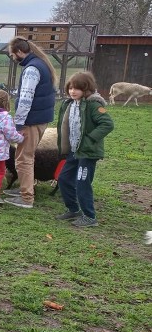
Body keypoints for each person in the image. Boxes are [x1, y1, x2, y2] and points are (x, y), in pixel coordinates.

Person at [3, 37, 57, 209]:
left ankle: (26, 197)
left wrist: (18, 125)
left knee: (24, 158)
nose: (12, 58)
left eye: (12, 55)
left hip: (31, 121)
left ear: (19, 52)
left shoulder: (32, 69)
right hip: (39, 118)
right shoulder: (41, 64)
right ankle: (24, 189)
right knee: (24, 156)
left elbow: (26, 98)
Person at [54, 72, 114, 228]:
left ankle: (89, 216)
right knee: (63, 178)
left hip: (87, 152)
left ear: (87, 89)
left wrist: (90, 139)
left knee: (82, 183)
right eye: (71, 88)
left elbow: (107, 124)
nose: (73, 91)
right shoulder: (70, 103)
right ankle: (73, 209)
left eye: (77, 88)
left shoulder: (94, 105)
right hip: (74, 151)